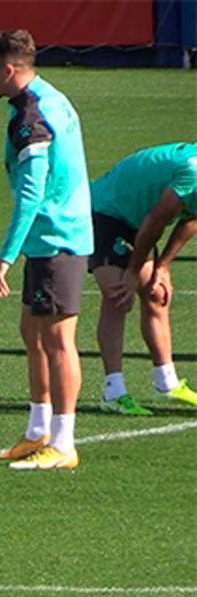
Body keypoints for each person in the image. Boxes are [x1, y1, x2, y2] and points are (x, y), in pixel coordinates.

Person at [0, 30, 93, 470]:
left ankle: (63, 443)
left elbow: (31, 193)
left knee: (58, 339)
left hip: (56, 238)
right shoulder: (50, 95)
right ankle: (38, 430)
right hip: (57, 232)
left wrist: (6, 256)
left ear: (10, 70)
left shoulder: (32, 117)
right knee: (32, 331)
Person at [88, 142, 197, 414]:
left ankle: (167, 383)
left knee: (156, 295)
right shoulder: (192, 173)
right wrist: (132, 273)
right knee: (117, 296)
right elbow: (155, 222)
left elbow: (192, 220)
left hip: (134, 219)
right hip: (105, 211)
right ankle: (114, 392)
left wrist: (162, 266)